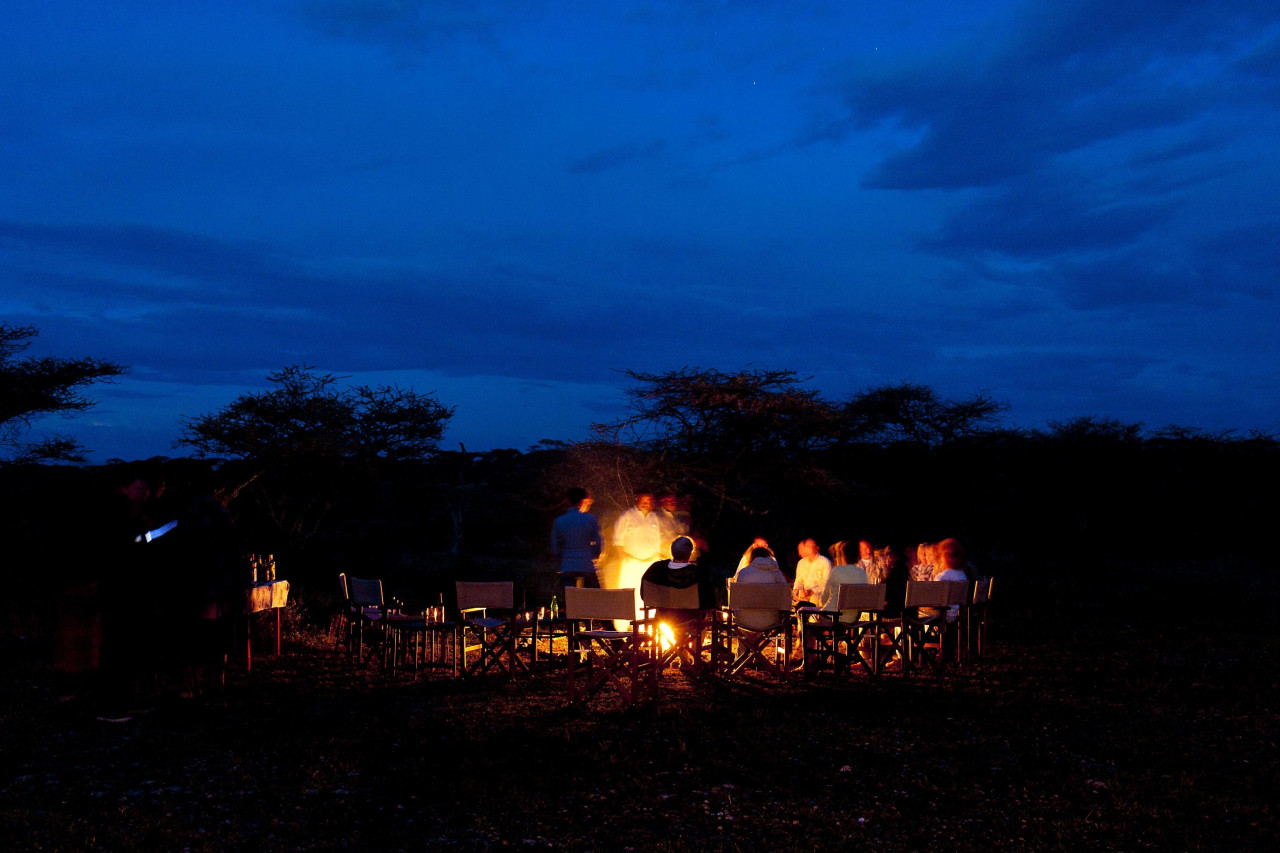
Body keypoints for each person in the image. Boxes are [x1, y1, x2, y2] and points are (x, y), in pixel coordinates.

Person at [612, 492, 664, 619]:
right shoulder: (627, 516)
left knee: (648, 594)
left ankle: (647, 622)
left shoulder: (654, 518)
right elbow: (617, 540)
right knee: (629, 594)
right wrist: (624, 558)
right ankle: (625, 624)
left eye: (649, 501)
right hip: (631, 562)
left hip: (650, 563)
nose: (646, 504)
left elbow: (657, 540)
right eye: (643, 501)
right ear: (637, 499)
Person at [551, 487, 603, 606]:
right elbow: (598, 542)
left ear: (568, 501)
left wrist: (563, 558)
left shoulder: (559, 521)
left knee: (570, 602)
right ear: (583, 501)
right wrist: (593, 555)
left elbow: (556, 547)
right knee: (597, 599)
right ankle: (597, 615)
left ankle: (571, 616)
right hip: (587, 566)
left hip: (567, 566)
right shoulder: (590, 519)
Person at [731, 546, 791, 631]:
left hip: (744, 620)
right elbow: (786, 597)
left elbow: (737, 600)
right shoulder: (776, 573)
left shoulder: (743, 572)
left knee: (743, 623)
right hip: (770, 621)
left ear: (752, 558)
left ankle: (750, 640)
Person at [817, 540, 869, 617]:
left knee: (811, 615)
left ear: (842, 556)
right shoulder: (862, 573)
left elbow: (823, 599)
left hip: (832, 615)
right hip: (853, 617)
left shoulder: (836, 571)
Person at [792, 538, 831, 607]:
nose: (807, 549)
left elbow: (827, 584)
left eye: (810, 546)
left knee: (814, 599)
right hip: (804, 596)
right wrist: (797, 589)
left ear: (817, 548)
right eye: (806, 547)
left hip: (819, 595)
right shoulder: (801, 563)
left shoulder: (825, 562)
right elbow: (798, 580)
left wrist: (812, 591)